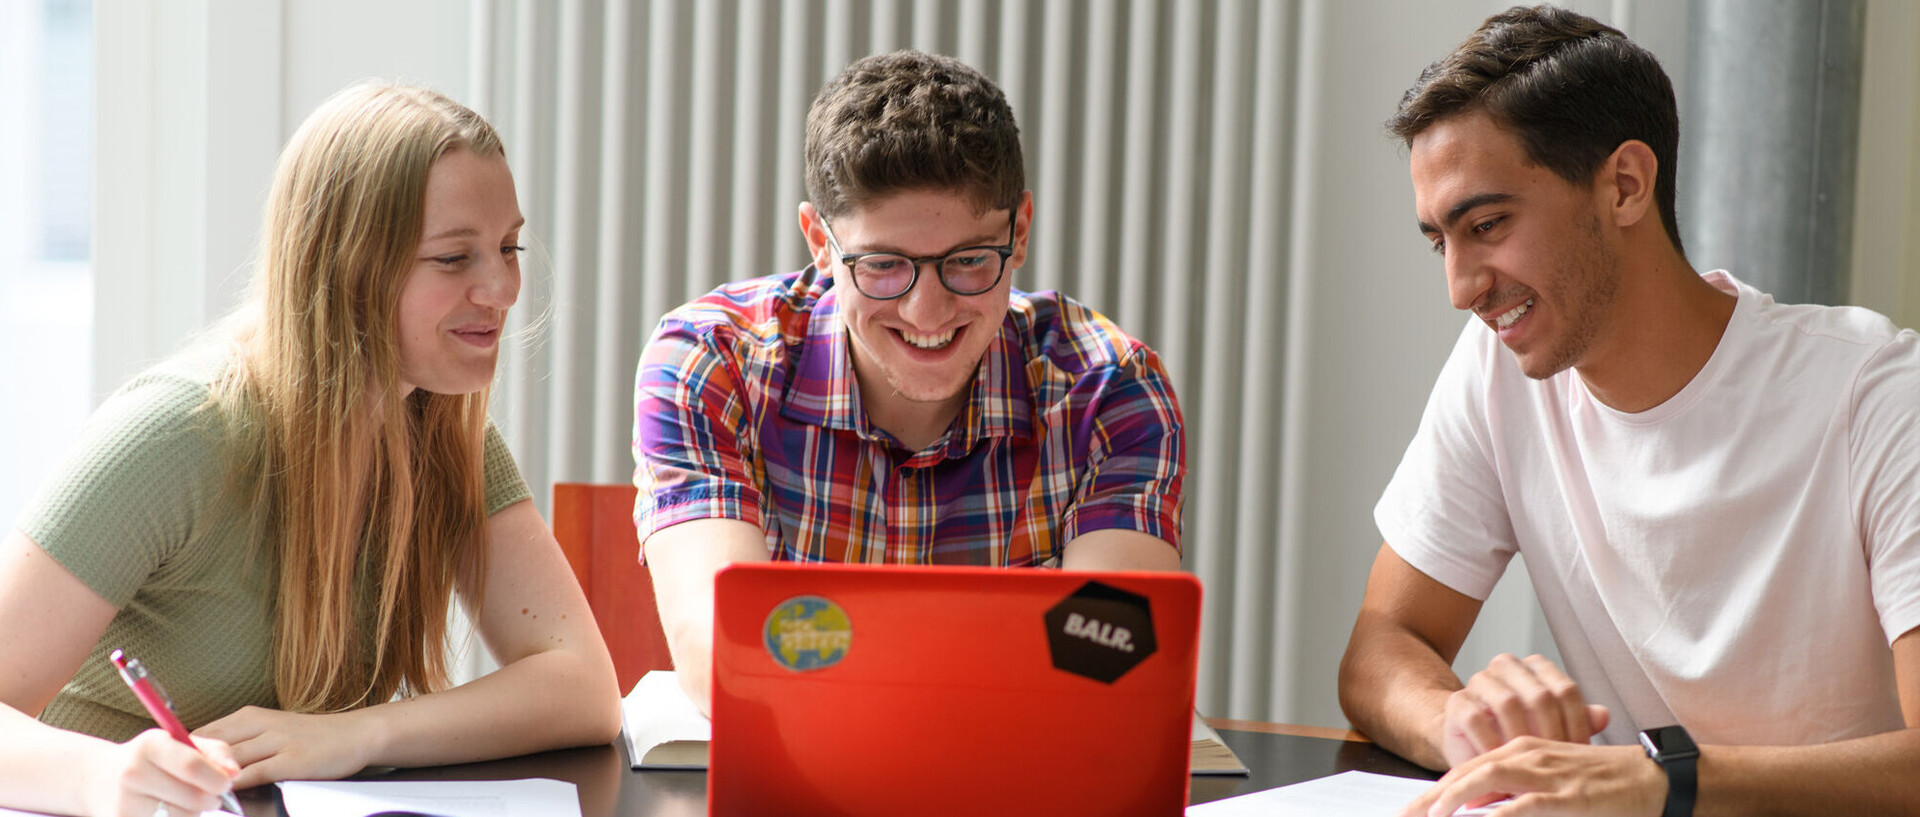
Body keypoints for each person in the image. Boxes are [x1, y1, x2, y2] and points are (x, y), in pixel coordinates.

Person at [1337, 5, 1920, 816]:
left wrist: (1664, 783)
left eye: (1489, 224)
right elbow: (1381, 649)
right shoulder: (1497, 372)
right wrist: (1467, 725)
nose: (1462, 287)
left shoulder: (1880, 395)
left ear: (1624, 184)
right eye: (1442, 240)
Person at [0, 83, 621, 817]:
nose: (502, 288)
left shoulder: (444, 431)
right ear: (347, 265)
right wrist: (101, 779)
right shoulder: (177, 432)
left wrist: (354, 733)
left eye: (509, 247)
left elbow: (584, 685)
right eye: (455, 258)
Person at [634, 50, 1186, 715]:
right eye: (885, 265)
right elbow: (719, 653)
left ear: (1021, 230)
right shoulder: (708, 365)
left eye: (971, 260)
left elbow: (1108, 664)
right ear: (819, 240)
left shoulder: (1108, 390)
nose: (928, 313)